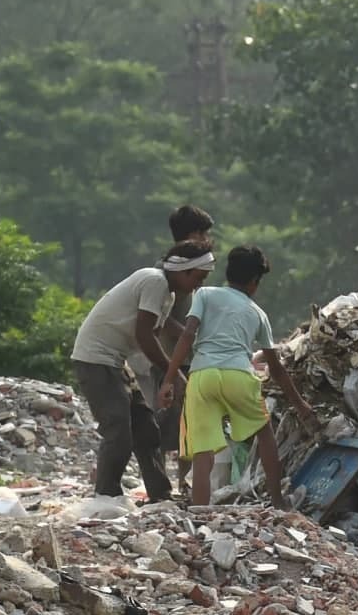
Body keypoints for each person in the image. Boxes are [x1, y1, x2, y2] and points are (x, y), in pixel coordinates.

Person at [159, 244, 317, 509]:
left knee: (202, 450)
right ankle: (278, 502)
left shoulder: (205, 294)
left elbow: (187, 336)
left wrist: (168, 379)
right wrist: (300, 404)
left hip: (202, 376)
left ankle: (201, 511)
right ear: (255, 282)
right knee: (264, 435)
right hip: (238, 376)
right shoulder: (258, 313)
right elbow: (275, 368)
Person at [72, 242, 215, 502]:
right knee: (118, 430)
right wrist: (174, 374)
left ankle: (160, 495)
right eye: (198, 277)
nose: (198, 285)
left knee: (146, 429)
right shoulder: (155, 282)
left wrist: (166, 382)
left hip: (116, 361)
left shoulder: (167, 295)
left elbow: (150, 338)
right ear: (183, 271)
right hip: (96, 358)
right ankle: (106, 495)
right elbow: (144, 334)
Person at [129, 206, 215, 494]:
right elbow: (161, 322)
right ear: (190, 234)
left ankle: (185, 485)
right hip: (164, 359)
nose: (206, 238)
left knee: (187, 422)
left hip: (186, 358)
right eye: (202, 233)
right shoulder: (167, 272)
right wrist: (193, 336)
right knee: (162, 420)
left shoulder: (193, 268)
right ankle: (161, 486)